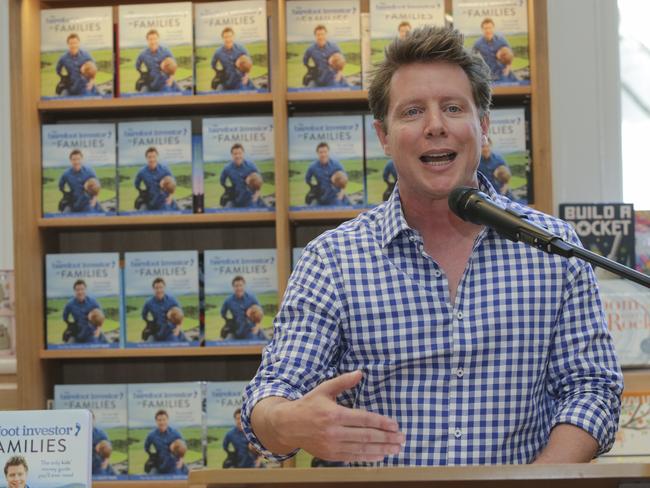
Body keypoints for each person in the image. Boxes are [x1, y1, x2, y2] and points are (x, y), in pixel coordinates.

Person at [241, 26, 622, 466]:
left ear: (482, 127)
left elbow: (592, 388)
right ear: (383, 136)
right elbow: (270, 397)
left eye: (453, 108)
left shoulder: (554, 249)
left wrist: (537, 481)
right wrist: (290, 422)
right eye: (413, 112)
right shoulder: (332, 260)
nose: (435, 126)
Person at [219, 144, 265, 208]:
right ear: (232, 155)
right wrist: (228, 189)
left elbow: (260, 179)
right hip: (235, 199)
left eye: (240, 153)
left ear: (243, 153)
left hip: (250, 199)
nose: (237, 156)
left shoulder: (251, 165)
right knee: (226, 213)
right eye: (235, 154)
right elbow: (222, 181)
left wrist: (257, 192)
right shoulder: (227, 168)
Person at [143, 410, 186, 474]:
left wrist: (181, 460)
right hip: (158, 466)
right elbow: (146, 448)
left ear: (167, 420)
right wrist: (152, 456)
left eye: (164, 419)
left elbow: (183, 447)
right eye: (159, 420)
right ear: (156, 421)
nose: (162, 422)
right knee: (150, 481)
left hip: (173, 466)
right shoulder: (151, 435)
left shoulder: (175, 433)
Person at [133, 147, 176, 211]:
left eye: (154, 156)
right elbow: (136, 184)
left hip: (163, 201)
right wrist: (142, 191)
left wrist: (170, 196)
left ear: (157, 157)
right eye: (149, 157)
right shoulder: (141, 172)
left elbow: (173, 183)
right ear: (146, 158)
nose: (152, 159)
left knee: (165, 216)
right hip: (149, 202)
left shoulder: (165, 169)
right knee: (141, 216)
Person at [58, 149, 99, 213]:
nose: (76, 162)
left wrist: (94, 199)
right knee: (64, 217)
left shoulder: (90, 171)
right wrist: (67, 194)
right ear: (70, 160)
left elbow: (97, 186)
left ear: (82, 159)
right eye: (74, 159)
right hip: (73, 203)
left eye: (78, 159)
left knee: (91, 218)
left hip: (87, 203)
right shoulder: (66, 174)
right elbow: (61, 186)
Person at [141, 278, 181, 342]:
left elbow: (180, 315)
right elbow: (143, 315)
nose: (159, 290)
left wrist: (178, 328)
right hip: (155, 332)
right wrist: (149, 323)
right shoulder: (148, 302)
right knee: (148, 347)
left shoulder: (172, 300)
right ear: (153, 289)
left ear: (164, 287)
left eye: (161, 287)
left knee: (173, 346)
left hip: (170, 332)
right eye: (156, 288)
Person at [220, 276, 261, 340]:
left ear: (244, 286)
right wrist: (229, 321)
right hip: (234, 331)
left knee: (253, 343)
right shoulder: (228, 300)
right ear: (233, 287)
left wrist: (257, 326)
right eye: (236, 286)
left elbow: (260, 312)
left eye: (240, 285)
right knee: (226, 344)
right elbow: (223, 313)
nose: (239, 288)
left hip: (250, 330)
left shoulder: (252, 298)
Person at [62, 279, 102, 344]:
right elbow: (64, 317)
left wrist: (98, 330)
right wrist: (70, 325)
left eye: (82, 289)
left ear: (85, 290)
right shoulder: (69, 304)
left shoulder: (93, 302)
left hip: (91, 335)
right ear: (74, 291)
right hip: (76, 335)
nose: (80, 292)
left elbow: (101, 316)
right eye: (77, 290)